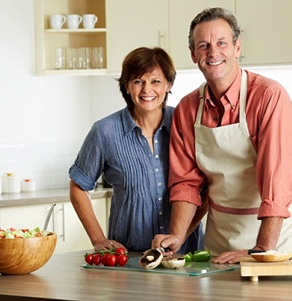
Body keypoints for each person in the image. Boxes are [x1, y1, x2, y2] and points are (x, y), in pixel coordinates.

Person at [152, 7, 292, 263]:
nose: (213, 53)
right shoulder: (187, 109)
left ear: (237, 47)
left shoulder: (268, 97)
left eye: (222, 43)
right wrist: (177, 235)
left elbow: (276, 180)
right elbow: (187, 184)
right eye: (203, 45)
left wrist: (262, 249)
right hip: (219, 240)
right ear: (192, 54)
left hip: (272, 238)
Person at [69, 47, 203, 253]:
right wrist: (97, 238)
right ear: (127, 86)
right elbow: (78, 187)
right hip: (129, 254)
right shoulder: (105, 131)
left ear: (168, 84)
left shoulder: (186, 124)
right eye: (138, 81)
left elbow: (207, 187)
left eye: (155, 81)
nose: (146, 90)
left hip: (185, 254)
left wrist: (181, 235)